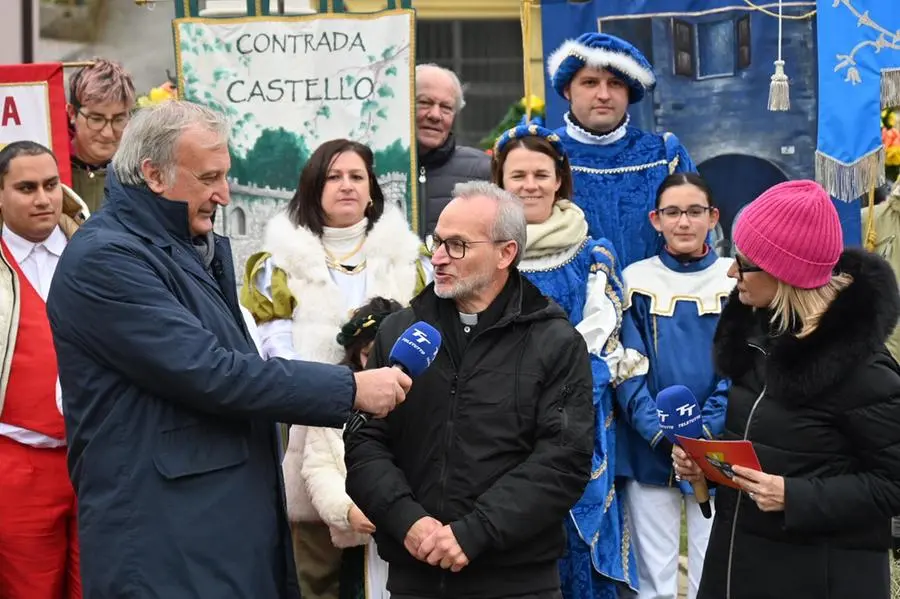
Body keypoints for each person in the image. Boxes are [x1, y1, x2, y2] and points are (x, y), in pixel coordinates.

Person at [45, 100, 411, 599]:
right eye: (209, 177)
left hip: (213, 528)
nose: (223, 193)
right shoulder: (107, 259)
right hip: (164, 538)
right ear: (153, 174)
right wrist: (351, 387)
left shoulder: (187, 245)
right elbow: (213, 373)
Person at [345, 181, 594, 599]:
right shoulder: (400, 332)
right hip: (415, 572)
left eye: (457, 245)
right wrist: (407, 520)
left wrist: (475, 532)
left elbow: (562, 461)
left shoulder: (555, 341)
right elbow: (364, 441)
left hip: (515, 580)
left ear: (506, 253)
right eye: (437, 242)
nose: (439, 258)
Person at [673, 180, 900, 599]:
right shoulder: (759, 341)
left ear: (784, 270)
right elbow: (771, 443)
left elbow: (892, 484)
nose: (729, 271)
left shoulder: (864, 370)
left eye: (743, 261)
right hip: (736, 566)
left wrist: (795, 496)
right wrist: (711, 463)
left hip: (819, 578)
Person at [242, 138, 431, 599]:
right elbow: (275, 352)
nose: (345, 186)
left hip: (399, 418)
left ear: (372, 190)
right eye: (333, 176)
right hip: (308, 422)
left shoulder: (410, 258)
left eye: (356, 176)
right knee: (316, 569)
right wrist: (331, 390)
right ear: (313, 186)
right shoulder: (278, 263)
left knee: (399, 560)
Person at [490, 123, 637, 599]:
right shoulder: (481, 251)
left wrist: (547, 391)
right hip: (492, 416)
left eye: (540, 174)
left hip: (572, 414)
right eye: (518, 176)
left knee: (574, 540)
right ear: (500, 182)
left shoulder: (591, 255)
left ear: (559, 180)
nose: (530, 185)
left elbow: (594, 342)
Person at [615, 173, 732, 599]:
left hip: (716, 446)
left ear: (713, 217)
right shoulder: (635, 279)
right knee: (654, 580)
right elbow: (627, 366)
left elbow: (738, 367)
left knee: (713, 574)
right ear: (655, 219)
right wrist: (663, 435)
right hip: (649, 447)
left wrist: (704, 436)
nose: (684, 222)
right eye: (673, 212)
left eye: (695, 211)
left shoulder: (732, 278)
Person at [0, 141, 85, 598]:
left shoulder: (97, 250)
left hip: (98, 457)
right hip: (17, 464)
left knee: (100, 585)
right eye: (26, 187)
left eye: (51, 185)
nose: (43, 198)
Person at [546, 33, 696, 267]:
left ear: (628, 92)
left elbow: (697, 235)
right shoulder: (546, 155)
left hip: (653, 299)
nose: (603, 95)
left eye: (615, 83)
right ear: (567, 90)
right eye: (590, 82)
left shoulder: (663, 154)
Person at [315, 297, 405, 599]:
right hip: (363, 544)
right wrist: (347, 510)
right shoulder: (331, 400)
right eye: (370, 355)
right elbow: (319, 468)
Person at [415, 64, 491, 235]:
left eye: (446, 107)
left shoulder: (485, 171)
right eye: (425, 103)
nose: (435, 115)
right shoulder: (373, 167)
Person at [66, 58, 136, 215]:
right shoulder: (52, 171)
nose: (108, 133)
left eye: (119, 119)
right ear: (72, 113)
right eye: (96, 119)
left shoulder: (142, 172)